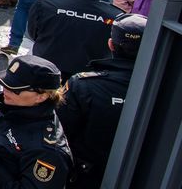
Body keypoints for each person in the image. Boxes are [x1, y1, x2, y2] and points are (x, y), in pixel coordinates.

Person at [58, 14, 147, 189]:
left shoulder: (83, 85)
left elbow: (60, 131)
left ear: (111, 44)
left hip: (85, 176)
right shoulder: (163, 88)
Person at [26, 0, 123, 80]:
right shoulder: (115, 15)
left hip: (44, 74)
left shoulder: (46, 4)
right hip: (87, 81)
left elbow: (33, 33)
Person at [0, 55, 72, 188]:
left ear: (41, 96)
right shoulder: (10, 105)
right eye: (5, 84)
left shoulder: (48, 152)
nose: (5, 90)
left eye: (15, 89)